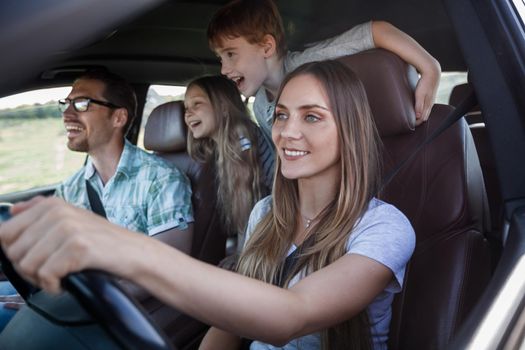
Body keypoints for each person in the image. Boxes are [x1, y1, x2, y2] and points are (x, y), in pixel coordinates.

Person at [0, 60, 415, 349]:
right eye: (283, 115)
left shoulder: (384, 228)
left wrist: (122, 248)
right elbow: (231, 324)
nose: (287, 132)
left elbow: (293, 316)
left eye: (312, 117)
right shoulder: (266, 214)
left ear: (351, 130)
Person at [207, 0, 441, 151]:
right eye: (220, 58)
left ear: (267, 47)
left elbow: (375, 31)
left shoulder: (308, 63)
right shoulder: (260, 106)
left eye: (231, 54)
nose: (223, 69)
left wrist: (430, 68)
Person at [55, 70, 194, 251]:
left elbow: (168, 270)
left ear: (118, 118)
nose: (67, 114)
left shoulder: (161, 180)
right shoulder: (69, 190)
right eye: (66, 104)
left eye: (82, 104)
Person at [184, 75, 272, 252]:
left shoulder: (241, 137)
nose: (187, 113)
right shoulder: (222, 146)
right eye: (186, 107)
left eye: (197, 104)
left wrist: (241, 259)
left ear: (223, 107)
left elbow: (247, 208)